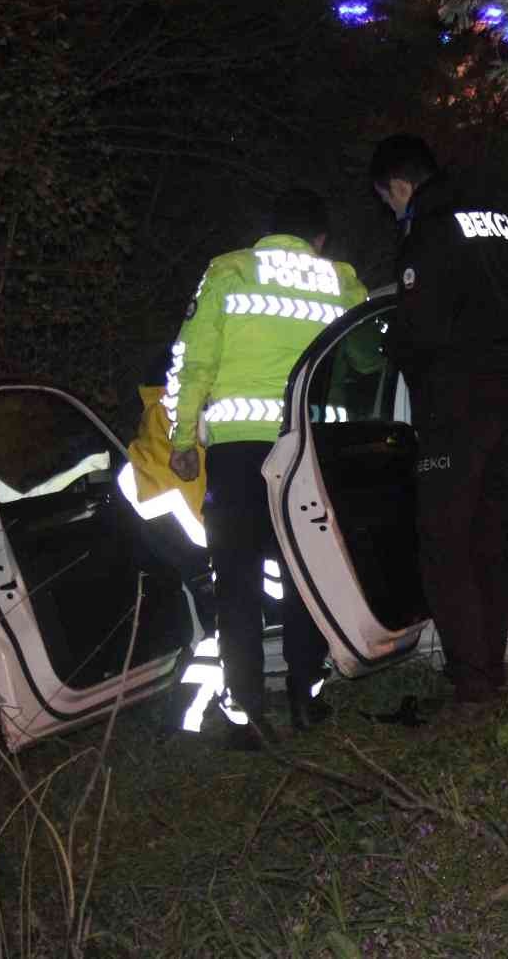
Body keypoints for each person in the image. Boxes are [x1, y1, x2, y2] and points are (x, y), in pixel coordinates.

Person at [164, 190, 367, 747]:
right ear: (319, 239)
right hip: (308, 450)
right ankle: (306, 697)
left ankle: (247, 716)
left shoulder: (228, 269)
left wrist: (182, 438)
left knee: (236, 582)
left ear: (268, 230)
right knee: (307, 573)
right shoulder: (341, 279)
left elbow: (192, 358)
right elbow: (367, 357)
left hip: (235, 454)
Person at [370, 134, 508, 722]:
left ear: (401, 186)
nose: (394, 213)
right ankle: (489, 674)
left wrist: (394, 347)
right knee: (487, 539)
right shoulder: (498, 221)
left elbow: (422, 333)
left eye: (389, 203)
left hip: (456, 405)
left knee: (445, 545)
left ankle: (471, 689)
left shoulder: (429, 228)